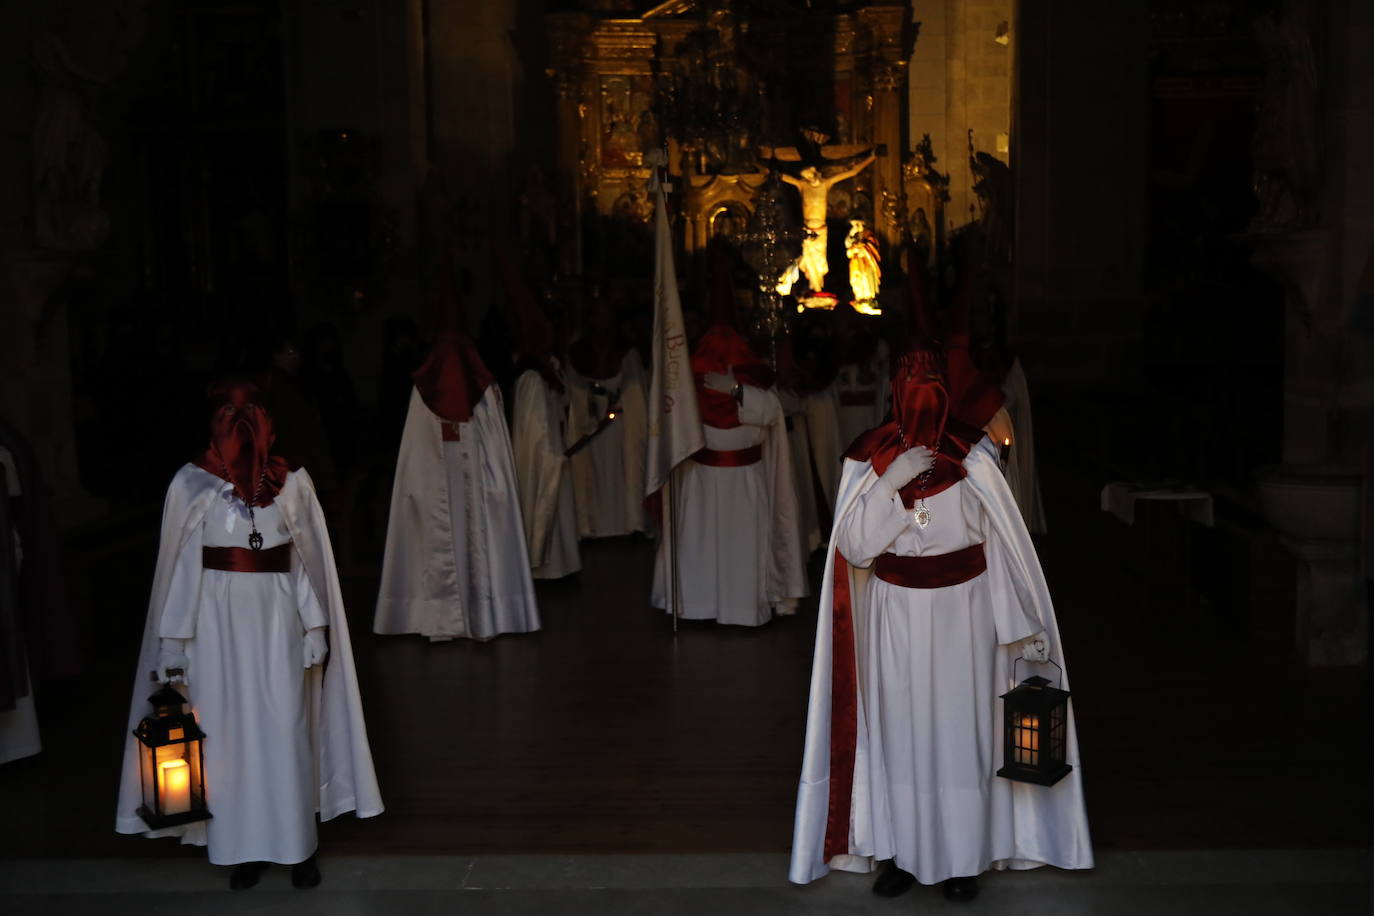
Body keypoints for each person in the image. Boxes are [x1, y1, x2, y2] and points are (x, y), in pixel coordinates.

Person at [788, 333, 1092, 901]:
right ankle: (904, 854)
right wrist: (894, 479)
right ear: (896, 392)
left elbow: (1001, 547)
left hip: (966, 616)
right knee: (900, 733)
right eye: (912, 390)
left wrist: (1022, 630)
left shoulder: (975, 455)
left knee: (961, 735)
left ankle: (960, 858)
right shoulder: (869, 457)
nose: (922, 402)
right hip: (896, 614)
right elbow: (855, 546)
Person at [116, 380, 382, 890]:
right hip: (214, 630)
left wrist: (315, 624)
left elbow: (304, 562)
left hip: (278, 623)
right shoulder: (191, 485)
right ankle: (243, 848)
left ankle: (297, 845)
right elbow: (182, 570)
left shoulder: (293, 482)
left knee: (285, 729)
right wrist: (173, 641)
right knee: (227, 737)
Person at [373, 259, 540, 640]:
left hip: (454, 482)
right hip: (462, 483)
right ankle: (475, 613)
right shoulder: (476, 386)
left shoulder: (453, 388)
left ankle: (452, 615)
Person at [650, 245, 807, 625]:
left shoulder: (751, 379)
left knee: (741, 546)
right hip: (700, 479)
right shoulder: (689, 380)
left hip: (744, 480)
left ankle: (741, 609)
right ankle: (697, 605)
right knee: (700, 545)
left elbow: (771, 411)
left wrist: (736, 390)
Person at [499, 253, 581, 580]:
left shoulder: (547, 370)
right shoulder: (531, 378)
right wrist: (553, 457)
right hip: (545, 458)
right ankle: (547, 569)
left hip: (555, 452)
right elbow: (537, 431)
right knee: (544, 504)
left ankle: (559, 565)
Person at [564, 297, 648, 539]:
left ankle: (626, 523)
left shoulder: (626, 350)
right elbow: (573, 388)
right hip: (589, 429)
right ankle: (591, 526)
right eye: (597, 314)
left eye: (607, 314)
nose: (602, 319)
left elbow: (636, 395)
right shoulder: (578, 350)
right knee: (590, 474)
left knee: (621, 473)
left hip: (618, 425)